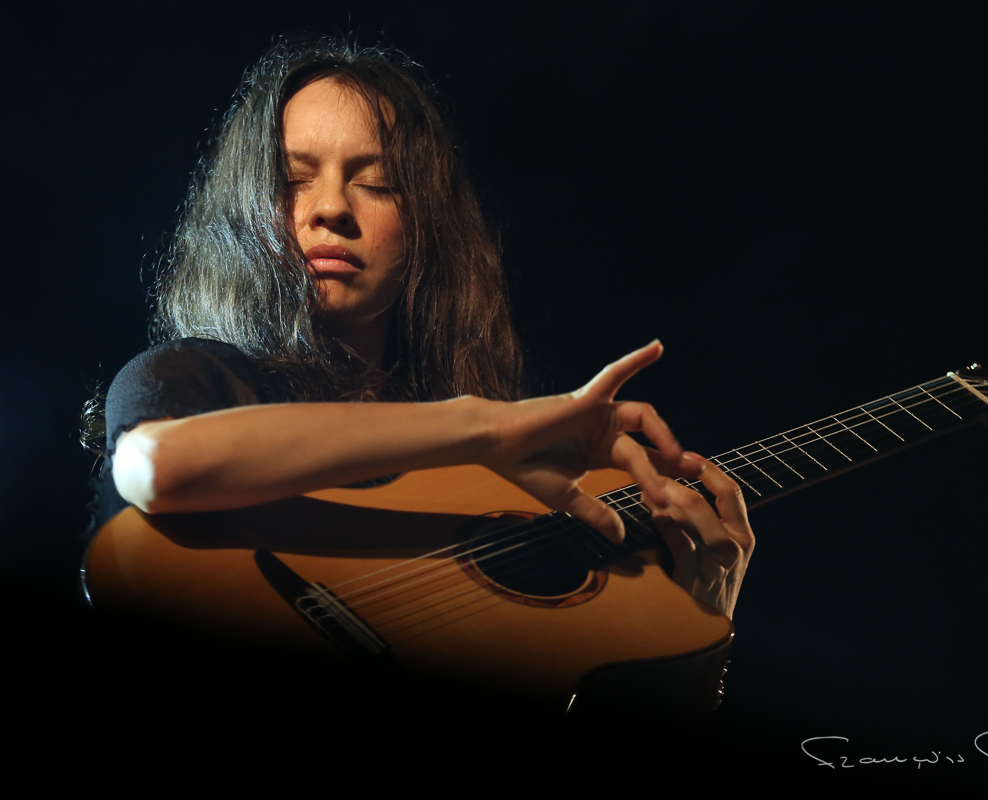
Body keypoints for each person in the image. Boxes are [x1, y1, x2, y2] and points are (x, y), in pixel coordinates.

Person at [84, 36, 754, 717]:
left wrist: (696, 629)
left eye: (376, 183)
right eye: (293, 180)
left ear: (424, 227)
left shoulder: (492, 486)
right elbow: (156, 465)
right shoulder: (194, 375)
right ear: (246, 212)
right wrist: (481, 423)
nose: (331, 208)